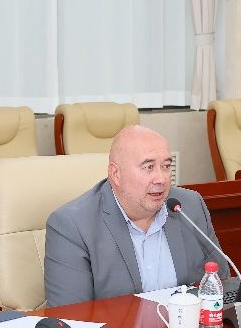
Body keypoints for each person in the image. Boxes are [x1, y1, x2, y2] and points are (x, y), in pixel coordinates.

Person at [45, 125, 228, 307]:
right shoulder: (72, 226)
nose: (161, 179)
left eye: (166, 166)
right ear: (116, 174)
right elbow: (70, 316)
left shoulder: (189, 206)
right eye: (148, 167)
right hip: (114, 327)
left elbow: (221, 285)